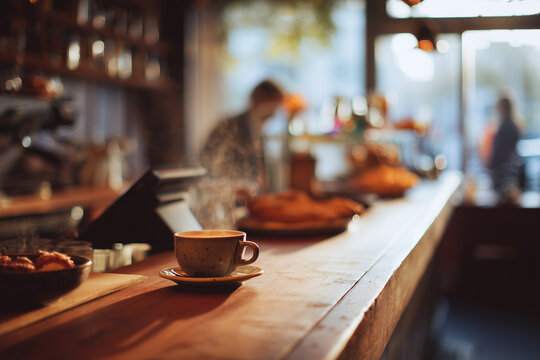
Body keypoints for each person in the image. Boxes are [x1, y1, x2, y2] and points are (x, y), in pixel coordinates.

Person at [200, 79, 284, 195]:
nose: (273, 114)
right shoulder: (228, 128)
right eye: (271, 107)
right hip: (226, 200)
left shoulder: (259, 132)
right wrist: (236, 186)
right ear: (257, 99)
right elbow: (206, 169)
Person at [487, 94, 522, 199]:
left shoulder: (505, 126)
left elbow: (499, 152)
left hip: (504, 174)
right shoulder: (513, 125)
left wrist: (491, 166)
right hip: (509, 171)